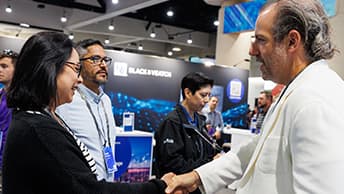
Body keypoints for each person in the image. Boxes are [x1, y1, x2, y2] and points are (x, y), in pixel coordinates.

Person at [165, 0, 344, 194]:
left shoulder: (315, 101)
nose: (252, 51)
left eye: (261, 39)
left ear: (292, 41)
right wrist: (197, 177)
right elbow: (256, 150)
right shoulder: (295, 90)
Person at [3, 31, 173, 194]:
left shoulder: (42, 118)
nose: (79, 79)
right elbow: (85, 189)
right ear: (50, 68)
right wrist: (157, 187)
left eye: (105, 59)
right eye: (75, 68)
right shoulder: (40, 127)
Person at [56, 39, 117, 181]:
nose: (103, 65)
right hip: (80, 186)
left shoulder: (106, 101)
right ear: (79, 64)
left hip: (107, 183)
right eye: (95, 59)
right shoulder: (67, 100)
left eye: (105, 59)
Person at [154, 72, 219, 194]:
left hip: (197, 186)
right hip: (177, 189)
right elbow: (173, 165)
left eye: (209, 95)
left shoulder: (200, 121)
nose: (206, 100)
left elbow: (206, 151)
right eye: (203, 95)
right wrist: (210, 162)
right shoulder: (172, 122)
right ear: (188, 93)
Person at [0, 49, 18, 192]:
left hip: (15, 163)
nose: (0, 70)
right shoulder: (0, 96)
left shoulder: (24, 99)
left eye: (4, 66)